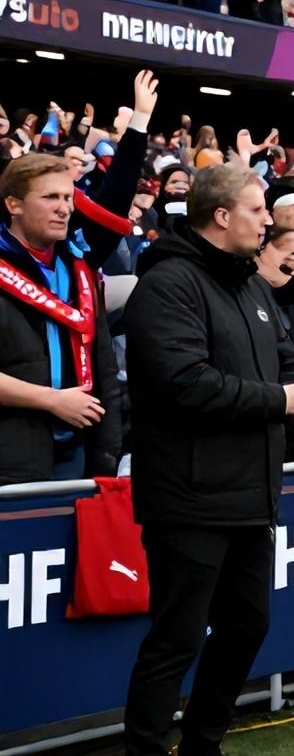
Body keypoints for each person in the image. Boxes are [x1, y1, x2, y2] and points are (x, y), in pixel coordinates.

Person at [122, 164, 294, 756]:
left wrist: (288, 393)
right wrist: (278, 401)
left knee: (246, 626)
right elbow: (182, 382)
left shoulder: (252, 285)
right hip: (187, 495)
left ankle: (202, 744)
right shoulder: (168, 284)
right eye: (260, 210)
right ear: (221, 215)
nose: (269, 220)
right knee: (176, 638)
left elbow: (289, 361)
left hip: (250, 493)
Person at [0, 70, 155, 484]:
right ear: (13, 204)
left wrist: (139, 123)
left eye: (68, 197)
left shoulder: (78, 259)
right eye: (50, 197)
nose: (64, 208)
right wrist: (50, 401)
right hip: (13, 454)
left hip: (81, 452)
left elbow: (115, 201)